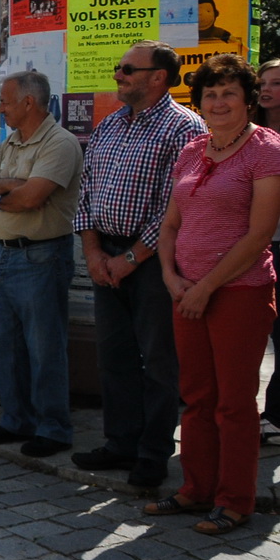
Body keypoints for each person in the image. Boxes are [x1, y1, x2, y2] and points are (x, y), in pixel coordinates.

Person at [152, 54, 280, 535]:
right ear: (199, 102)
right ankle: (195, 489)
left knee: (234, 402)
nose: (219, 101)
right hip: (185, 290)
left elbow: (259, 233)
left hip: (240, 292)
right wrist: (170, 276)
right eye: (211, 93)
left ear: (248, 99)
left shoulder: (267, 149)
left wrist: (205, 287)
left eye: (229, 92)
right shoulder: (192, 150)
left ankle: (234, 500)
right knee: (197, 396)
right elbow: (170, 224)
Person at [72, 43, 205, 487]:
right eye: (118, 67)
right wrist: (93, 252)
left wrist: (131, 258)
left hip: (153, 259)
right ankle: (120, 443)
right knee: (114, 357)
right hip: (105, 253)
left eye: (128, 69)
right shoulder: (110, 124)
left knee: (160, 360)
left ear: (158, 77)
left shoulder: (184, 127)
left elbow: (176, 205)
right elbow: (87, 191)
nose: (118, 75)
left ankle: (152, 453)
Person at [0, 70, 82, 457]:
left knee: (44, 347)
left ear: (29, 103)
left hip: (41, 255)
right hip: (3, 253)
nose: (2, 109)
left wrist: (5, 189)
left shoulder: (61, 144)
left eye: (7, 101)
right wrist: (13, 187)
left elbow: (33, 198)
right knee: (8, 345)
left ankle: (53, 427)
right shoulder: (13, 141)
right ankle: (16, 419)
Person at [260, 58, 280, 443]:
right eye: (262, 82)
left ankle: (275, 416)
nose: (267, 89)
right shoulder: (250, 135)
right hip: (257, 245)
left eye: (276, 84)